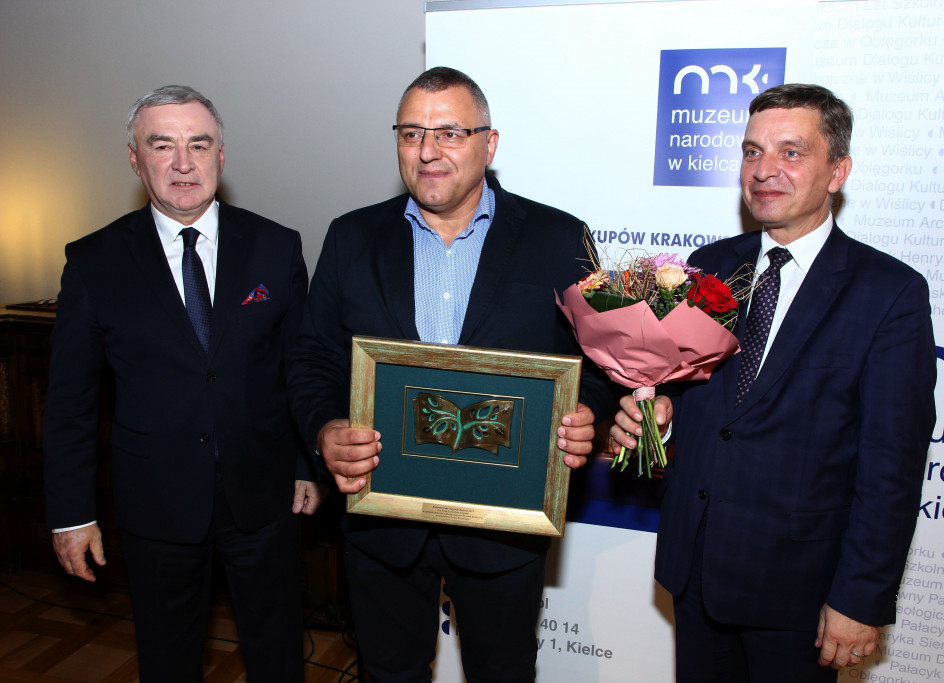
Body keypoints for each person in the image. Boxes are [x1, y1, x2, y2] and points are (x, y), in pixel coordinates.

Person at [287, 66, 614, 683]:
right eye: (411, 133)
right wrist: (325, 427)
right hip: (380, 519)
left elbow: (597, 361)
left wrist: (587, 415)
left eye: (450, 133)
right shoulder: (352, 236)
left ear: (489, 144)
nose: (428, 151)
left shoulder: (558, 238)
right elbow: (312, 356)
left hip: (504, 527)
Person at [610, 84, 936, 682]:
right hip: (696, 569)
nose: (763, 171)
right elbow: (694, 399)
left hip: (801, 592)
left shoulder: (889, 292)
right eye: (752, 151)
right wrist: (658, 418)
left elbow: (892, 467)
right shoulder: (707, 267)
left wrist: (860, 598)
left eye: (791, 152)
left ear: (838, 171)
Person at [43, 85, 323, 683]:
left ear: (221, 155)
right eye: (161, 145)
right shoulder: (93, 262)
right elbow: (70, 403)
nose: (182, 163)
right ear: (134, 158)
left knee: (278, 658)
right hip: (156, 503)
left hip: (265, 497)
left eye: (198, 144)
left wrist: (306, 464)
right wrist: (71, 515)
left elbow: (299, 368)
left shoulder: (276, 247)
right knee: (167, 663)